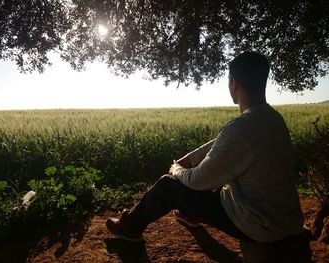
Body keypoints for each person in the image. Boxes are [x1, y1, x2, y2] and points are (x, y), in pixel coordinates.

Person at [105, 52, 304, 245]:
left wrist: (177, 169)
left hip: (259, 225)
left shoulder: (241, 127)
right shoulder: (273, 118)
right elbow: (222, 145)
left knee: (168, 186)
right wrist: (190, 158)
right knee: (218, 175)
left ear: (233, 83)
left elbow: (198, 181)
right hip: (285, 221)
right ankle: (190, 214)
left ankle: (129, 227)